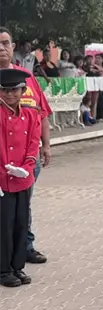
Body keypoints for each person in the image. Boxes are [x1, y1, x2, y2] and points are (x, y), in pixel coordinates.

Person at [0, 28, 51, 265]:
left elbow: (41, 113)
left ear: (12, 47)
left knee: (23, 205)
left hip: (26, 157)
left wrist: (46, 146)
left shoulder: (27, 77)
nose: (2, 48)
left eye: (5, 43)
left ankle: (23, 247)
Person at [0, 68, 42, 288]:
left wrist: (27, 167)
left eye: (14, 90)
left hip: (22, 178)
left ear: (22, 90)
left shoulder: (30, 114)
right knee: (4, 226)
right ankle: (3, 269)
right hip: (2, 180)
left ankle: (17, 266)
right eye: (5, 91)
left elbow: (33, 145)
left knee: (20, 224)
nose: (10, 95)